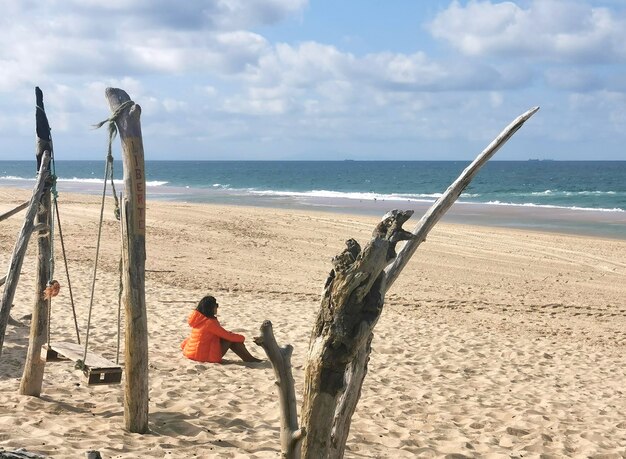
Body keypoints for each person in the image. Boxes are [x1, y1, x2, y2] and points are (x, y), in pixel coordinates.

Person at [181, 295, 262, 363]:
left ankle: (249, 359)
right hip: (202, 356)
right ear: (211, 308)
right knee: (230, 339)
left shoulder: (198, 319)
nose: (217, 307)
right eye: (216, 305)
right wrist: (242, 338)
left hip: (190, 352)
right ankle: (249, 359)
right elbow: (227, 336)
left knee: (230, 337)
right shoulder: (209, 322)